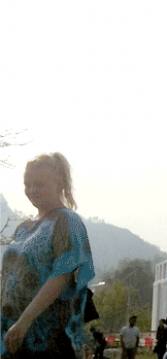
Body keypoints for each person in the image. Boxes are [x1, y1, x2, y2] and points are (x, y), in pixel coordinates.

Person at [1, 152, 95, 358]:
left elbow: (62, 274)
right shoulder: (24, 228)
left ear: (59, 182)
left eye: (39, 184)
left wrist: (24, 321)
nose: (32, 190)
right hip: (12, 333)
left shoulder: (68, 221)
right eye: (28, 184)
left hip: (46, 336)